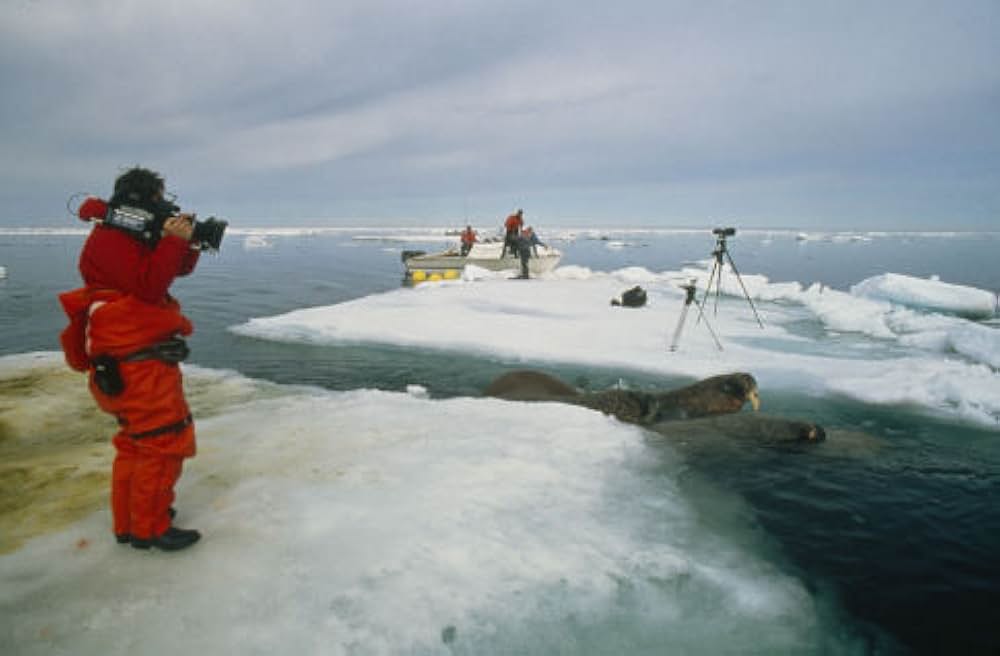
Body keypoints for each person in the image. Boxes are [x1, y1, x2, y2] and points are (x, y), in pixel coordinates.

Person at [58, 167, 203, 552]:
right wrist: (172, 241)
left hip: (131, 354)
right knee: (163, 440)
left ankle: (130, 523)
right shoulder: (111, 239)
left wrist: (189, 243)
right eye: (158, 197)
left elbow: (171, 271)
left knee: (136, 443)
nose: (164, 203)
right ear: (141, 199)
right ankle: (150, 529)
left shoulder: (125, 234)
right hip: (136, 362)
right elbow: (150, 285)